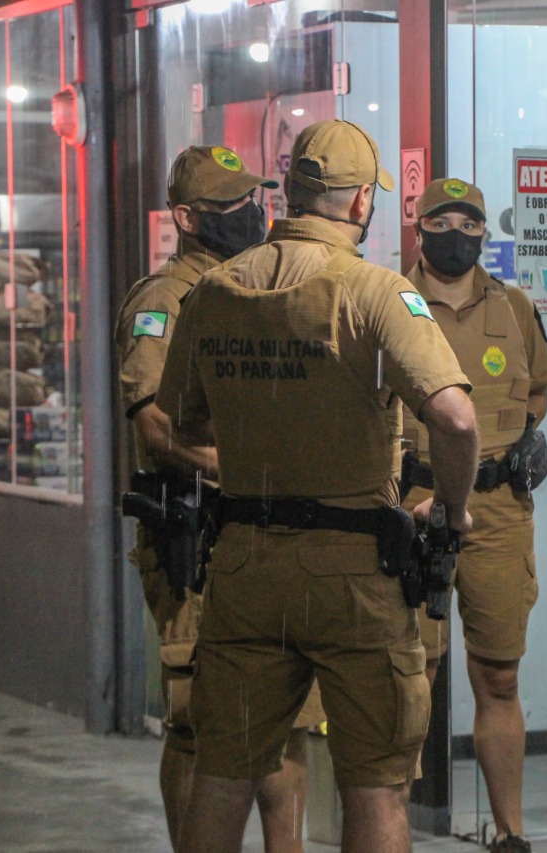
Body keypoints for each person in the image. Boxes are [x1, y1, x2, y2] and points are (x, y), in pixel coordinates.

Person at [159, 120, 480, 853]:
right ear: (362, 201)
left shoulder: (211, 293)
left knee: (223, 774)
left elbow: (178, 420)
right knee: (374, 784)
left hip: (242, 564)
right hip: (354, 573)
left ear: (290, 191)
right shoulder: (373, 292)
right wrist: (453, 512)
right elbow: (457, 420)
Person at [115, 145, 324, 853]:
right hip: (197, 533)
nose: (251, 214)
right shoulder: (165, 301)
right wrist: (248, 466)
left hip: (268, 533)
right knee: (199, 720)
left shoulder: (254, 290)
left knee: (288, 712)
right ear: (187, 217)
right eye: (233, 207)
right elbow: (154, 424)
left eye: (254, 200)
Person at [399, 178, 547, 853]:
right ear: (420, 228)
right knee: (411, 674)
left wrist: (521, 440)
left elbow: (538, 394)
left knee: (500, 674)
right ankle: (388, 826)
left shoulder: (514, 305)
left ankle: (510, 832)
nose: (456, 232)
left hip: (497, 509)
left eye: (469, 222)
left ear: (484, 234)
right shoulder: (389, 300)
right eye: (444, 220)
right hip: (412, 504)